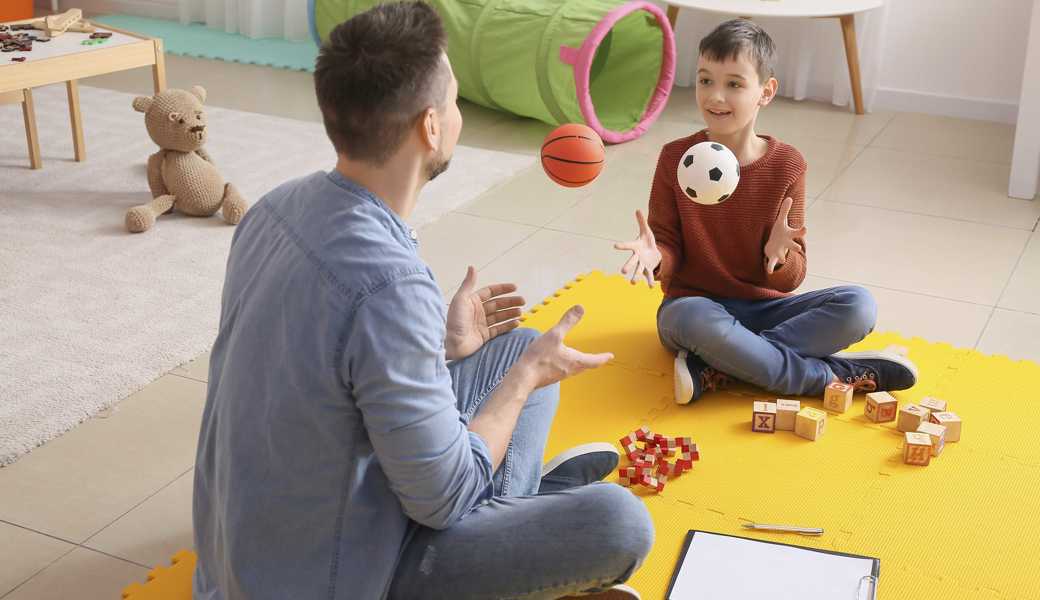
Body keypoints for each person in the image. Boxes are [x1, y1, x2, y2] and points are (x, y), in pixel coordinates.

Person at [192, 2, 653, 599]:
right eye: (456, 102)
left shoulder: (276, 206)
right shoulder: (389, 284)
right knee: (617, 520)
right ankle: (530, 506)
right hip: (328, 578)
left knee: (513, 345)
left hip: (245, 548)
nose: (459, 116)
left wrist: (444, 345)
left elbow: (327, 363)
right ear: (430, 126)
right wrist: (522, 381)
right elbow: (447, 500)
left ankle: (528, 502)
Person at [615, 19, 919, 405]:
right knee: (690, 317)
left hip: (765, 309)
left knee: (858, 305)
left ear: (766, 92)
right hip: (694, 310)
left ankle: (721, 366)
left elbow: (790, 281)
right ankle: (829, 377)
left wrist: (778, 257)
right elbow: (669, 243)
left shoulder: (787, 165)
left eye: (734, 84)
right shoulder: (675, 157)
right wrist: (657, 256)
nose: (715, 96)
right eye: (706, 80)